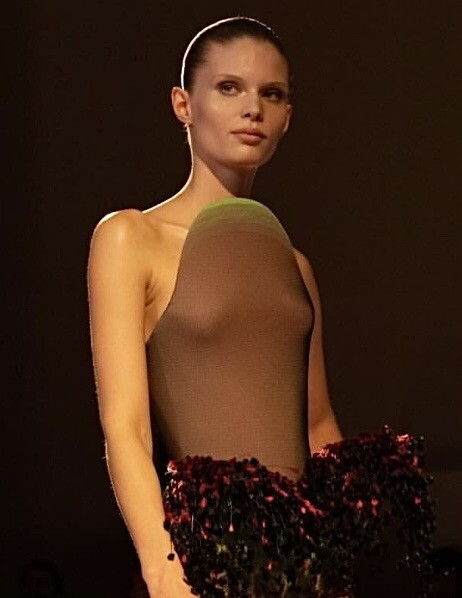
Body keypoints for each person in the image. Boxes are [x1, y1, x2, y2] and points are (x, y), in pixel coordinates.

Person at [87, 16, 342, 597]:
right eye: (229, 87)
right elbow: (126, 426)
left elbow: (317, 424)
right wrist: (162, 565)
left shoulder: (295, 266)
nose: (252, 109)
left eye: (270, 94)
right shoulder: (131, 239)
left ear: (287, 117)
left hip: (303, 568)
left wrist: (339, 555)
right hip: (200, 562)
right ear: (183, 104)